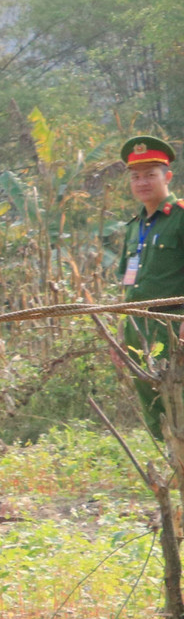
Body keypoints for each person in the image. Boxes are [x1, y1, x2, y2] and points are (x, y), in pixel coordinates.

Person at [112, 137, 184, 437]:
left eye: (150, 175)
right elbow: (128, 286)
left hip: (172, 324)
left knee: (179, 400)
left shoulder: (180, 217)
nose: (142, 182)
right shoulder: (133, 227)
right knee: (155, 408)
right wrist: (119, 332)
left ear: (167, 177)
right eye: (136, 177)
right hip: (137, 327)